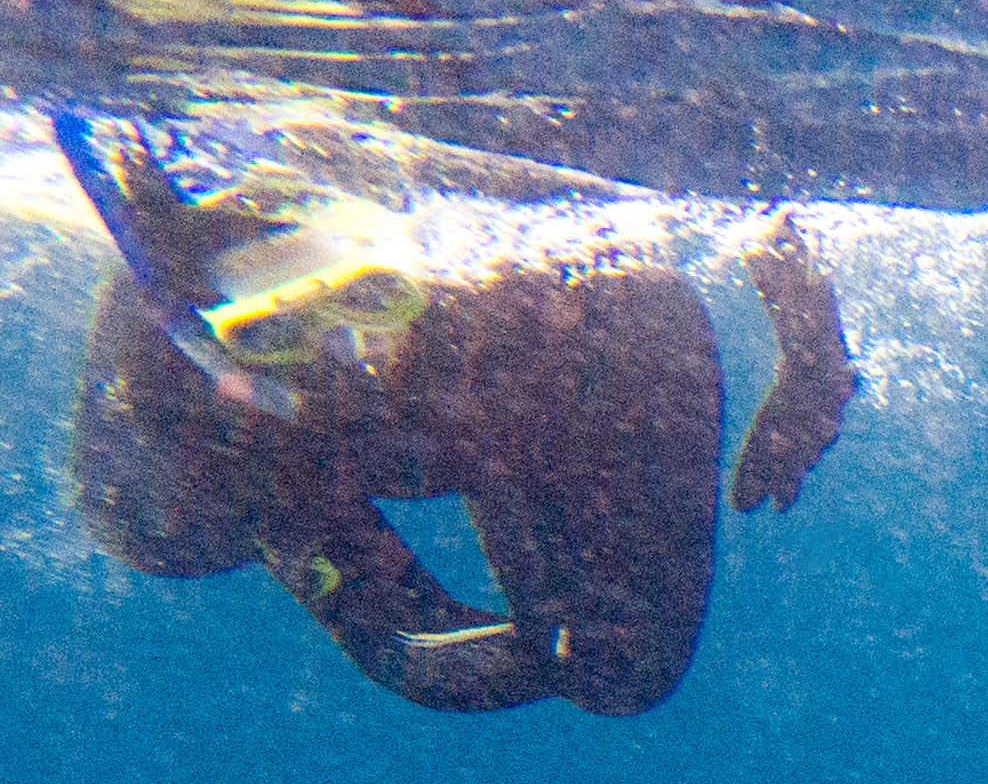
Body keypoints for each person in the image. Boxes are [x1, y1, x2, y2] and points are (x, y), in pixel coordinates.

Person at [59, 115, 858, 717]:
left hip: (586, 349)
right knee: (617, 669)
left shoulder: (202, 360)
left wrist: (814, 353)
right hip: (523, 382)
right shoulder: (251, 474)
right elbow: (401, 645)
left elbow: (720, 156)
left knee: (623, 670)